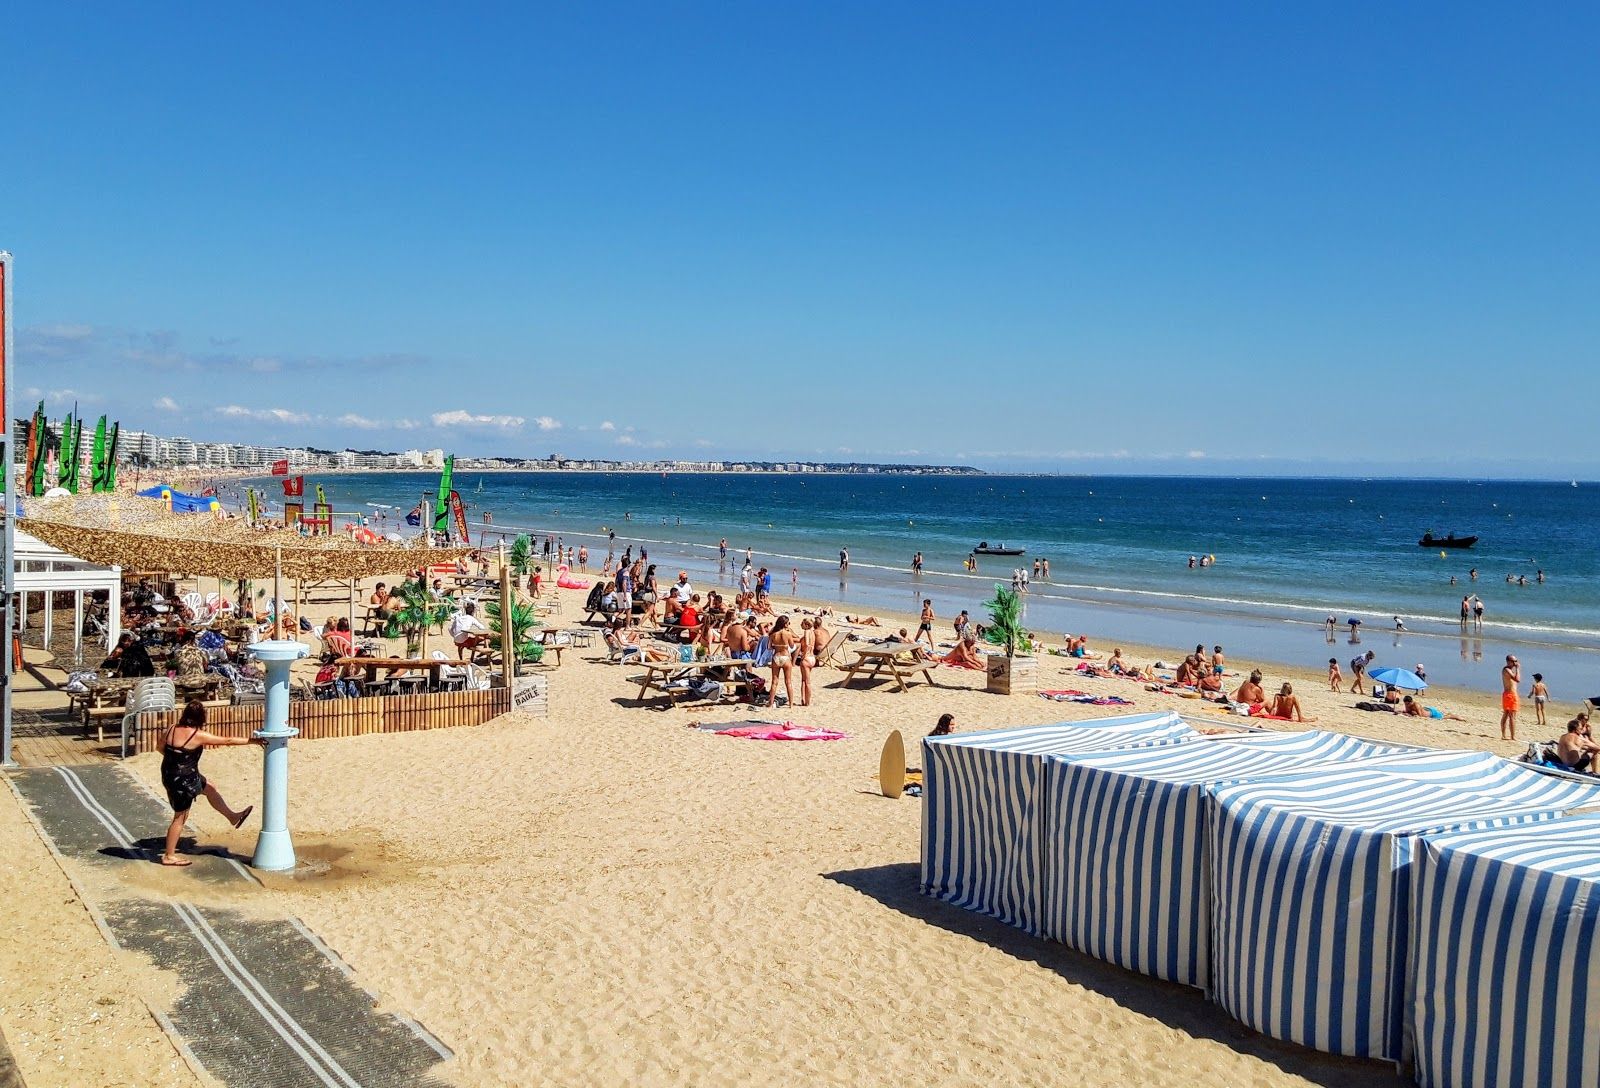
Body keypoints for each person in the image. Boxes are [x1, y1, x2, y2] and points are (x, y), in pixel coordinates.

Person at [159, 701, 258, 867]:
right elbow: (227, 740)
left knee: (210, 787)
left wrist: (178, 762)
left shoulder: (171, 728)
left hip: (170, 774)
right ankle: (168, 855)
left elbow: (160, 747)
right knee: (180, 817)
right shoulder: (197, 735)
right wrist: (252, 740)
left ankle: (233, 817)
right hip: (185, 781)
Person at [767, 615, 798, 707]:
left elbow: (768, 647)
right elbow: (792, 646)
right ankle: (791, 704)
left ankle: (771, 702)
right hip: (785, 657)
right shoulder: (787, 634)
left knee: (774, 682)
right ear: (785, 624)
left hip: (776, 657)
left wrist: (776, 646)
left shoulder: (773, 634)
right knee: (788, 682)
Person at [1500, 654, 1521, 741]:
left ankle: (1504, 735)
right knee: (1511, 716)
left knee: (1507, 714)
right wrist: (1518, 669)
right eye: (1514, 661)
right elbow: (1518, 679)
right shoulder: (1507, 670)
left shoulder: (1509, 670)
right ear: (1509, 662)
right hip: (1510, 695)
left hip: (1509, 694)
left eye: (1516, 661)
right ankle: (1511, 736)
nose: (1515, 663)